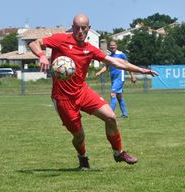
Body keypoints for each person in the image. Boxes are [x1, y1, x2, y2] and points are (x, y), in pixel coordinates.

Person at [29, 13, 158, 169]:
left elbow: (115, 61)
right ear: (73, 27)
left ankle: (118, 152)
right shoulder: (61, 40)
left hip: (82, 92)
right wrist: (42, 56)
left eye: (84, 28)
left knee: (110, 116)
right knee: (79, 136)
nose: (80, 31)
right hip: (63, 99)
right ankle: (83, 157)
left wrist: (141, 70)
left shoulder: (90, 49)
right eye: (77, 28)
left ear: (89, 29)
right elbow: (34, 43)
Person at [96, 40, 136, 118]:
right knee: (119, 96)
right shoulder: (109, 56)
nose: (112, 47)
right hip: (113, 79)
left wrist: (132, 75)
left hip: (119, 77)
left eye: (113, 45)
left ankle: (110, 115)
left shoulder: (121, 54)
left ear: (116, 46)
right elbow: (106, 67)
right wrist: (100, 72)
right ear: (109, 47)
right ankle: (125, 114)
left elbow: (128, 65)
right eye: (111, 45)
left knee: (113, 94)